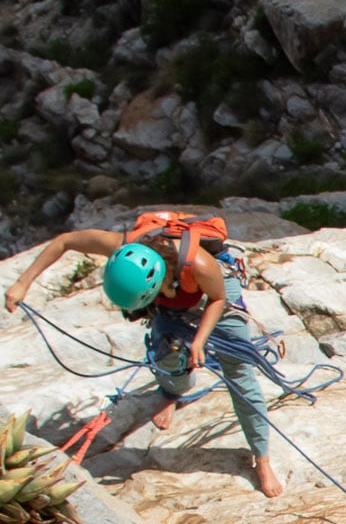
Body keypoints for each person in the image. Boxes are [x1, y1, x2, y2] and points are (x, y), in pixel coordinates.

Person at [4, 212, 283, 498]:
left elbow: (218, 298)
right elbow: (65, 242)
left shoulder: (199, 263)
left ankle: (261, 458)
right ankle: (173, 391)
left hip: (216, 293)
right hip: (170, 296)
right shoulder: (127, 247)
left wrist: (200, 339)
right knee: (165, 352)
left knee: (239, 372)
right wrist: (22, 283)